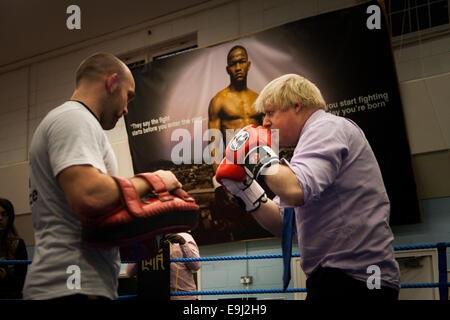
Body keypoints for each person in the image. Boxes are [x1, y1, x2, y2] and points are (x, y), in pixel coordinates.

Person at [217, 74, 400, 301]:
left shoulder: (327, 128)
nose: (265, 122)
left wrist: (256, 151)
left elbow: (295, 190)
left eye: (270, 112)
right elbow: (283, 224)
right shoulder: (307, 150)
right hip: (338, 279)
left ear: (296, 105)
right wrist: (245, 189)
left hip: (358, 279)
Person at [23, 53, 183, 300]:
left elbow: (91, 212)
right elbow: (89, 195)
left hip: (74, 286)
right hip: (70, 289)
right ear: (111, 82)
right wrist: (155, 180)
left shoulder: (72, 121)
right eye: (127, 96)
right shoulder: (74, 119)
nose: (127, 108)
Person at [208, 45, 263, 170]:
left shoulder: (258, 100)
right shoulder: (219, 101)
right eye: (233, 64)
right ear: (228, 69)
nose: (238, 68)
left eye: (242, 62)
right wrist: (220, 177)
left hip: (259, 164)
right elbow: (213, 144)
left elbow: (269, 136)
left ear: (248, 65)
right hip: (234, 165)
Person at [126, 232, 201, 300]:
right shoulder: (146, 239)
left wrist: (183, 244)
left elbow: (196, 266)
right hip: (155, 296)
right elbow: (130, 272)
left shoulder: (185, 237)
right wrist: (139, 249)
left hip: (183, 296)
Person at [0, 198, 28, 299]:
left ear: (10, 218)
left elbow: (22, 281)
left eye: (4, 214)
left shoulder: (18, 244)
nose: (0, 218)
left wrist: (6, 276)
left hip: (12, 296)